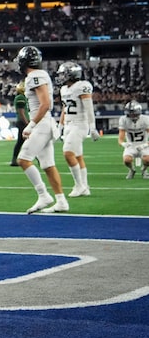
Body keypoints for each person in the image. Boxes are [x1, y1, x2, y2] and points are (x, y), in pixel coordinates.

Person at [14, 46, 69, 214]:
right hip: (45, 123)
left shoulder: (35, 76)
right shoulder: (39, 75)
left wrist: (31, 125)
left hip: (42, 124)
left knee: (23, 159)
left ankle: (43, 195)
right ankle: (61, 201)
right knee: (47, 165)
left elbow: (46, 104)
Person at [56, 61, 100, 196]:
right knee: (78, 156)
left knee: (68, 153)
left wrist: (93, 128)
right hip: (69, 124)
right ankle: (85, 187)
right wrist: (60, 126)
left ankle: (79, 185)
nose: (61, 76)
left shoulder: (82, 86)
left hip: (80, 123)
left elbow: (89, 108)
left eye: (63, 74)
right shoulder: (64, 89)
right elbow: (65, 108)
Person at [118, 101, 149, 179]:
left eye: (133, 112)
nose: (131, 115)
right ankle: (132, 170)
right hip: (131, 144)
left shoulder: (145, 119)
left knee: (148, 160)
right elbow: (120, 138)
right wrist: (123, 144)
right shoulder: (123, 119)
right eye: (130, 112)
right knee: (126, 160)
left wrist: (145, 145)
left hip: (144, 143)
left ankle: (144, 170)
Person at [10, 81, 28, 166]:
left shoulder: (22, 97)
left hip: (22, 122)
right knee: (23, 141)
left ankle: (17, 159)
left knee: (21, 142)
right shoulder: (20, 97)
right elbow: (21, 112)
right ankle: (16, 159)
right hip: (22, 122)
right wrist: (27, 123)